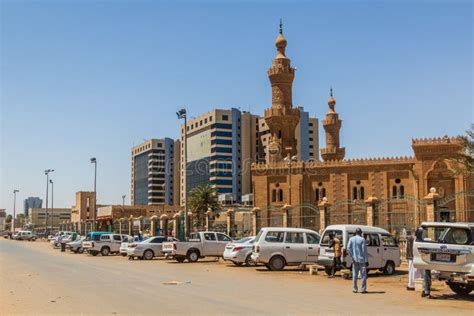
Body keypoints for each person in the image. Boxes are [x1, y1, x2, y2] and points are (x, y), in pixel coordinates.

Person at [347, 228, 368, 293]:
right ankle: (363, 289)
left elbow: (348, 248)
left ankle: (355, 289)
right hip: (362, 260)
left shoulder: (351, 239)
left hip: (354, 260)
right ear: (360, 233)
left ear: (355, 232)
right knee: (363, 275)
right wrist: (366, 260)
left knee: (354, 275)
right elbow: (364, 250)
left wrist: (352, 256)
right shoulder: (362, 239)